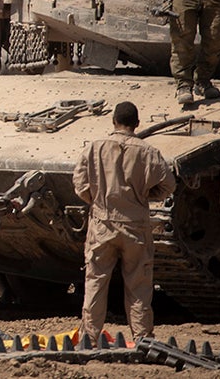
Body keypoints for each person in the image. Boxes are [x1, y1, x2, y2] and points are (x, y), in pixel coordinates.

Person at [73, 101, 175, 342]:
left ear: (113, 121)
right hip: (136, 226)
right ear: (137, 124)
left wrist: (97, 200)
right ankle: (142, 338)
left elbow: (79, 183)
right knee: (138, 285)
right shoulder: (148, 151)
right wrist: (145, 197)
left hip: (102, 223)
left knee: (96, 282)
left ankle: (89, 337)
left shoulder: (95, 147)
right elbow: (169, 185)